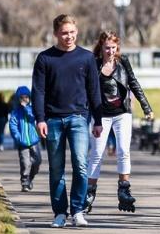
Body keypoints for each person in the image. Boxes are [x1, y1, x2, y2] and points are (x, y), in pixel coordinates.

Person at [32, 14, 102, 228]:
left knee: (81, 165)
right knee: (56, 169)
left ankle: (78, 210)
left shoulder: (86, 58)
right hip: (53, 120)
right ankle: (60, 213)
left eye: (72, 32)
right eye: (64, 33)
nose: (69, 36)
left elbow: (94, 90)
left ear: (77, 32)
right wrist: (40, 119)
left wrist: (98, 120)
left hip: (79, 119)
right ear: (56, 34)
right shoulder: (45, 59)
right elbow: (39, 92)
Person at [84, 31, 153, 214]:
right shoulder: (94, 64)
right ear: (101, 46)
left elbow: (134, 83)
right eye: (107, 48)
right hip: (101, 116)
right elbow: (88, 90)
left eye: (114, 48)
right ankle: (89, 192)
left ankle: (124, 190)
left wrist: (146, 107)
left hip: (122, 113)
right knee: (97, 154)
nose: (110, 51)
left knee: (124, 150)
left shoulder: (123, 63)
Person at [8, 86, 41, 192]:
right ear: (18, 99)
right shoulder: (16, 112)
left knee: (37, 161)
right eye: (22, 97)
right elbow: (12, 125)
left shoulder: (32, 109)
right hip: (22, 142)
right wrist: (18, 137)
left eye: (26, 97)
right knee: (25, 163)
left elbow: (33, 118)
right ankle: (24, 181)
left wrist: (26, 108)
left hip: (34, 141)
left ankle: (30, 178)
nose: (24, 99)